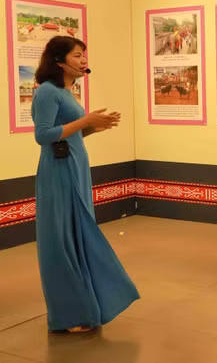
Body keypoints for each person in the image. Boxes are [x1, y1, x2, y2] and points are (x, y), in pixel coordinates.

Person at [32, 36, 139, 333]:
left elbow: (68, 134)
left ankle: (84, 307)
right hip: (58, 171)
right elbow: (43, 136)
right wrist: (84, 122)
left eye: (84, 55)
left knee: (79, 235)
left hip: (76, 167)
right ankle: (68, 313)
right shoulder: (47, 93)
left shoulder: (68, 92)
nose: (83, 61)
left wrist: (93, 127)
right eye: (78, 55)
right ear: (58, 60)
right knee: (62, 240)